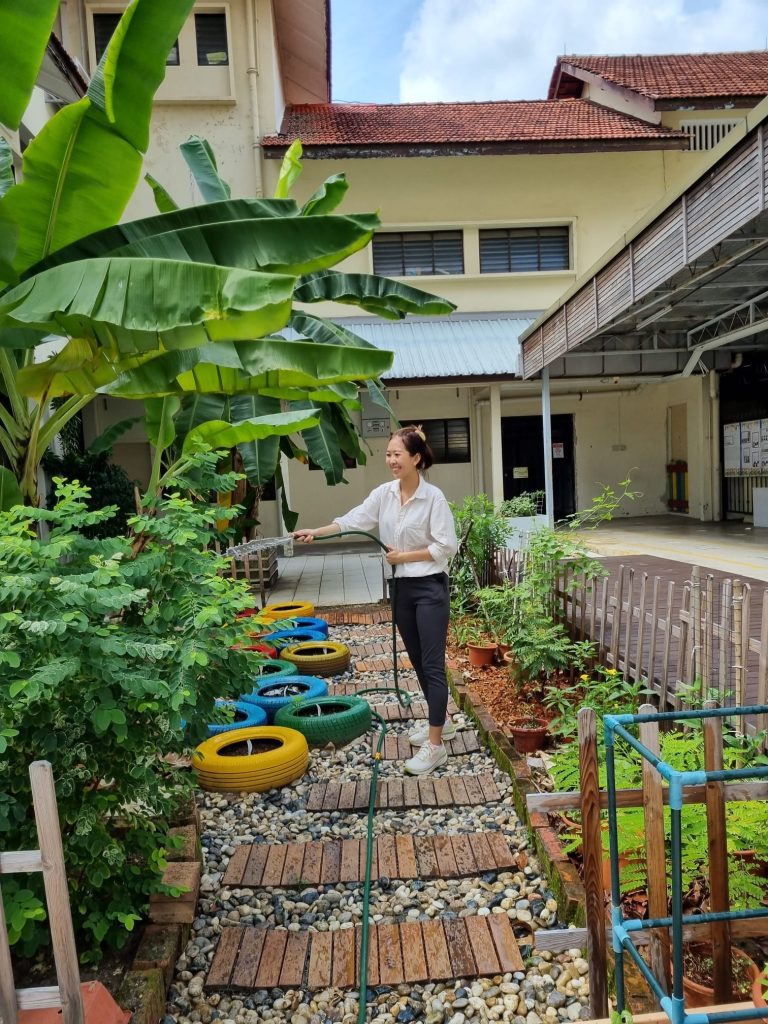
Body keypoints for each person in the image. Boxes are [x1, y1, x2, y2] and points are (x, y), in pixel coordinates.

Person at [293, 425, 458, 776]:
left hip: (429, 588)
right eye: (388, 454)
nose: (391, 460)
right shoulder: (384, 494)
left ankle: (436, 746)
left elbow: (447, 546)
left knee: (431, 665)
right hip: (401, 590)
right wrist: (315, 532)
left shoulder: (434, 498)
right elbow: (351, 520)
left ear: (416, 458)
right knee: (416, 661)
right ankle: (440, 723)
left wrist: (406, 557)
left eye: (398, 454)